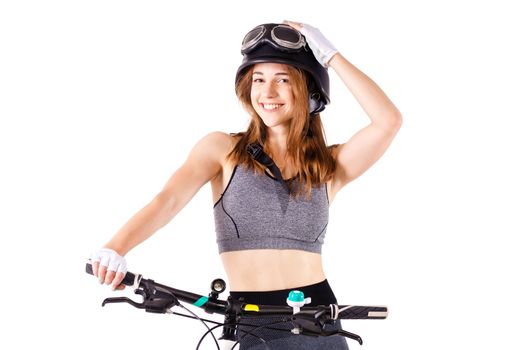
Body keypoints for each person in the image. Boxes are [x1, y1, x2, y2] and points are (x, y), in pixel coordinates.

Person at [89, 21, 402, 349]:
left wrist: (331, 56)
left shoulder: (329, 165)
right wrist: (115, 248)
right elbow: (166, 200)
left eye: (282, 79)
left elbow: (388, 120)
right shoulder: (222, 149)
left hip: (318, 321)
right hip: (250, 321)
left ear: (310, 93)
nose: (267, 93)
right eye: (258, 80)